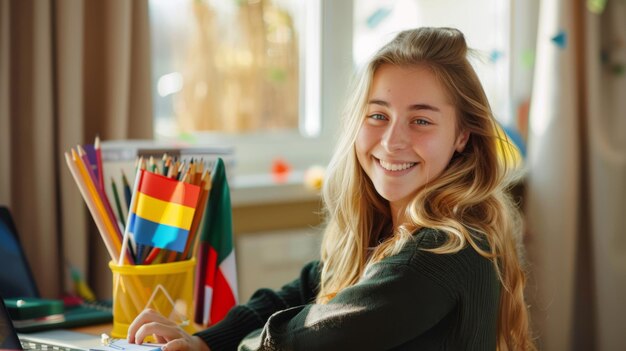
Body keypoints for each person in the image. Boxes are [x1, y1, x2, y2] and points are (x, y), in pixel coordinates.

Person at [127, 27, 535, 350]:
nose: (392, 141)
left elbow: (305, 339)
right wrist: (204, 341)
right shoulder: (385, 233)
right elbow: (298, 294)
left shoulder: (444, 252)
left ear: (462, 135)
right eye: (378, 115)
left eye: (421, 120)